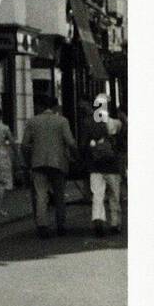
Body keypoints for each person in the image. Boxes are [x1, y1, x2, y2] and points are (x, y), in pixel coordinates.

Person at [21, 96, 78, 239]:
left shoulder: (32, 121)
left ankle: (42, 226)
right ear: (55, 107)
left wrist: (28, 161)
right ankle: (61, 225)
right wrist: (75, 157)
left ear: (40, 106)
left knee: (41, 195)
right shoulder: (62, 121)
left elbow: (24, 145)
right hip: (58, 163)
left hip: (38, 163)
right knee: (60, 195)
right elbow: (70, 142)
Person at [83, 109, 124, 237]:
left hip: (96, 167)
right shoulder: (116, 127)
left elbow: (85, 146)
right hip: (112, 167)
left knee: (97, 194)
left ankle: (98, 219)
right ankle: (115, 223)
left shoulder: (91, 128)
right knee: (114, 194)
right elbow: (121, 146)